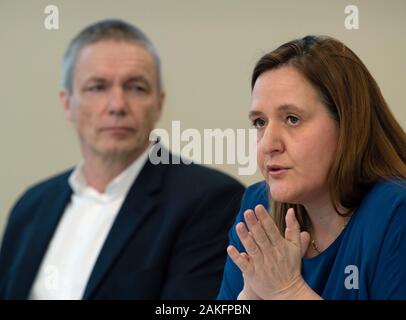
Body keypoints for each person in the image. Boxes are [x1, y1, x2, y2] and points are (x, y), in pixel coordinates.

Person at [0, 19, 244, 300]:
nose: (117, 105)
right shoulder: (31, 206)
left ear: (159, 104)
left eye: (136, 88)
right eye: (97, 87)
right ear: (67, 103)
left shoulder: (210, 200)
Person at [217, 35, 406, 300]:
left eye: (292, 119)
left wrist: (289, 291)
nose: (268, 144)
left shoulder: (396, 212)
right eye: (260, 122)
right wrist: (248, 297)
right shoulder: (258, 207)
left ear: (347, 124)